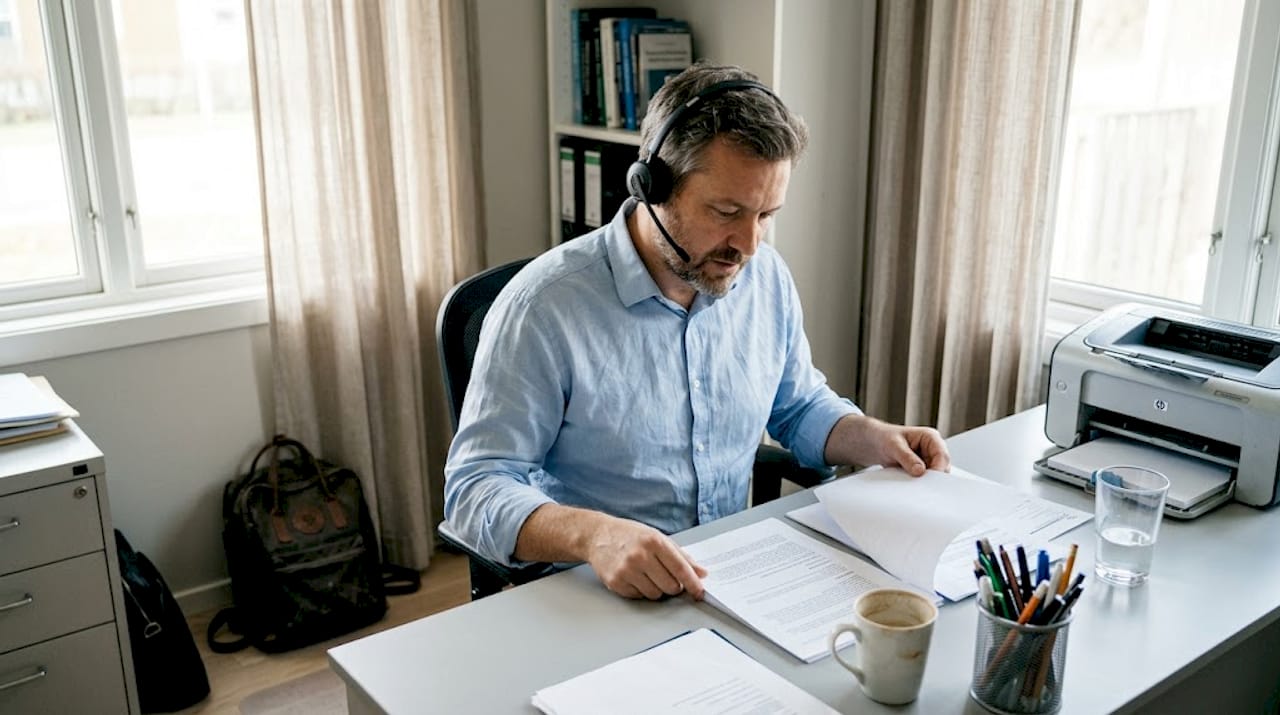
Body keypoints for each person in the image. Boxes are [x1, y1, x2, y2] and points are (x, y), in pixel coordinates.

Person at [444, 62, 950, 601]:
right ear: (651, 186)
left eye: (766, 215)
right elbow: (474, 491)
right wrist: (593, 536)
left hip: (727, 580)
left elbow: (797, 406)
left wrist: (874, 438)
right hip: (590, 594)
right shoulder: (543, 309)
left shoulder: (765, 276)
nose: (749, 245)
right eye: (727, 211)